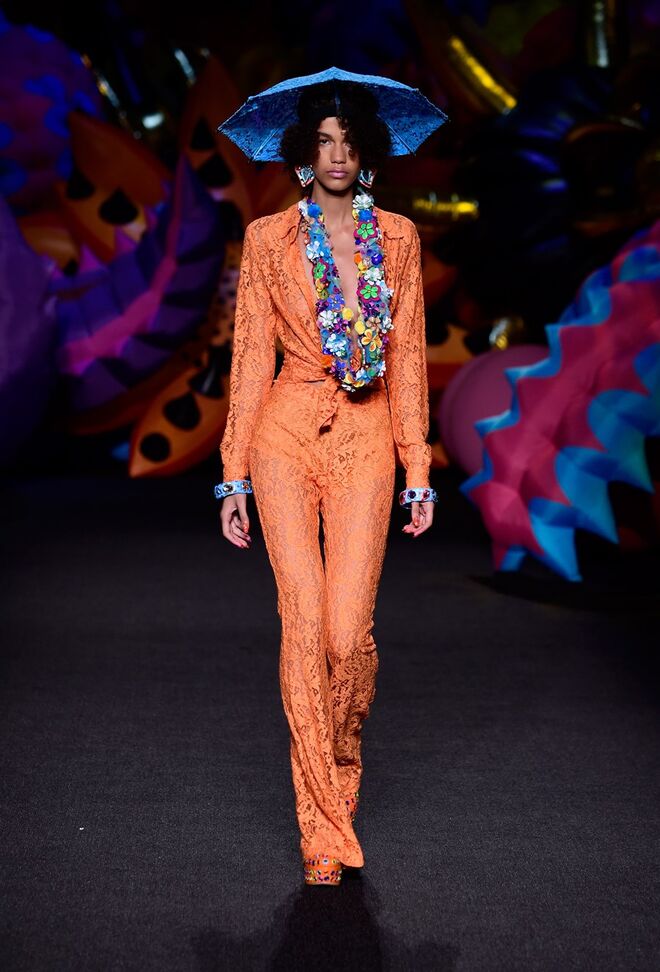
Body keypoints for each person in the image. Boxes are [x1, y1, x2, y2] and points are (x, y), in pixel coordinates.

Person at [215, 80, 437, 886]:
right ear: (302, 153)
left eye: (348, 140)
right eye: (323, 141)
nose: (337, 155)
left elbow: (407, 359)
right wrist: (232, 474)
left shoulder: (399, 238)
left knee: (347, 634)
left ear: (366, 150)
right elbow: (250, 359)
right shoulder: (269, 238)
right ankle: (322, 827)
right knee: (303, 624)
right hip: (282, 434)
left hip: (368, 439)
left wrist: (418, 468)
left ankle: (339, 772)